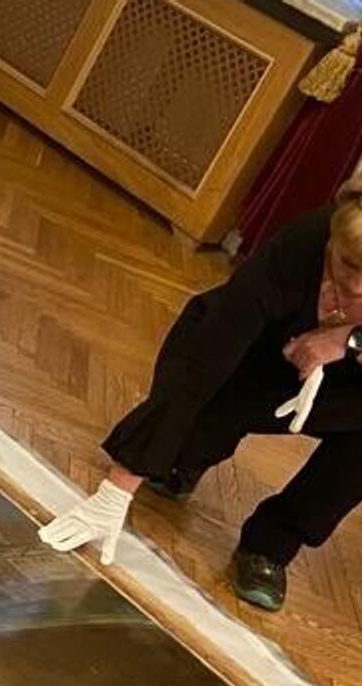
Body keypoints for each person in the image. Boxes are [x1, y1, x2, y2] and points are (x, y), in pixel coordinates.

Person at [41, 181, 362, 611]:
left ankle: (271, 545)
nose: (356, 287)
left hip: (342, 385)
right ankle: (186, 458)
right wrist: (116, 491)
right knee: (180, 449)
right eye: (347, 264)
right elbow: (204, 362)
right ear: (332, 233)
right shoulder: (300, 246)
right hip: (245, 358)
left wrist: (347, 340)